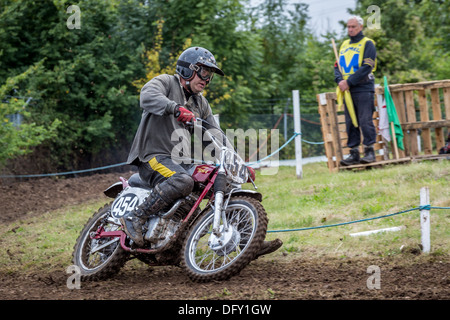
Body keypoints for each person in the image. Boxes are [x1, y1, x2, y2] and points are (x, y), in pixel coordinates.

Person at [121, 46, 282, 257]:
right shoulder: (166, 82)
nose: (207, 79)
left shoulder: (200, 103)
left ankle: (247, 240)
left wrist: (238, 164)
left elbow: (216, 136)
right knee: (183, 181)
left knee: (223, 180)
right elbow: (146, 95)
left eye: (210, 75)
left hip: (181, 161)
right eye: (204, 72)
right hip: (152, 156)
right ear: (188, 69)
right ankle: (136, 216)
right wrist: (175, 108)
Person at [334, 16, 377, 166]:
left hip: (363, 87)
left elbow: (367, 67)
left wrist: (349, 81)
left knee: (365, 120)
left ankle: (370, 151)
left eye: (353, 27)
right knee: (350, 122)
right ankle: (353, 153)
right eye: (348, 27)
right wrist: (339, 80)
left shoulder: (368, 44)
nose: (350, 29)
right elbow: (337, 66)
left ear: (360, 27)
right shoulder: (344, 45)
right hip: (347, 90)